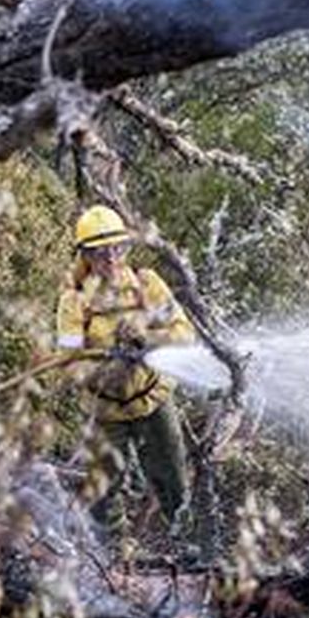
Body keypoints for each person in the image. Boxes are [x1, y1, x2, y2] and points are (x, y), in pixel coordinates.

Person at [54, 205, 195, 536]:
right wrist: (107, 366)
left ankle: (185, 543)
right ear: (86, 255)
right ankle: (106, 558)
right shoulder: (73, 302)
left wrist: (146, 337)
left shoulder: (148, 284)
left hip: (152, 400)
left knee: (173, 478)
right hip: (106, 411)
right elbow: (68, 363)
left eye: (118, 248)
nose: (112, 258)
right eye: (102, 252)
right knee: (102, 491)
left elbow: (184, 334)